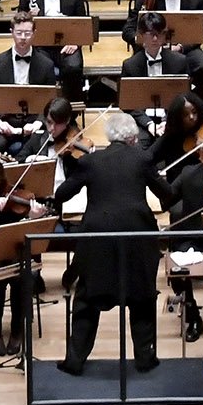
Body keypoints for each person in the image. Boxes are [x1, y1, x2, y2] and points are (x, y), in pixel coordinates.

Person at [53, 110, 166, 373]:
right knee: (142, 298)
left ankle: (74, 361)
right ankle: (144, 359)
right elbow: (166, 193)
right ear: (132, 138)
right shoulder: (142, 158)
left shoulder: (92, 162)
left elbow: (62, 194)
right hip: (137, 237)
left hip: (97, 239)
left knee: (87, 299)